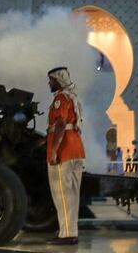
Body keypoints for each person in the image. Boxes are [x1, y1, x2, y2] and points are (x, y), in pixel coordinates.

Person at [46, 66, 85, 246]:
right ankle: (71, 232)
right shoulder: (72, 97)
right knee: (73, 194)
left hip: (64, 151)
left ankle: (67, 234)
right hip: (76, 149)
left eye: (51, 80)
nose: (49, 83)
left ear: (58, 80)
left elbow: (60, 124)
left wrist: (54, 151)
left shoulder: (60, 98)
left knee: (62, 193)